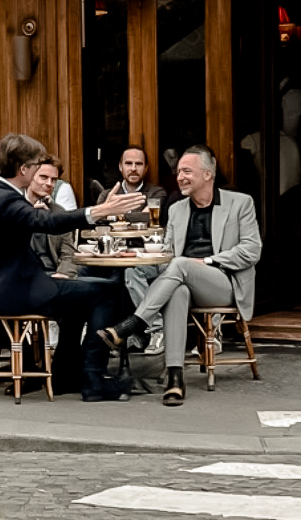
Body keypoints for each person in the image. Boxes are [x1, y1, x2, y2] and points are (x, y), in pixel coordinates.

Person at [0, 133, 139, 401]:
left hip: (1, 288)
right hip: (20, 291)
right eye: (36, 167)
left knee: (81, 297)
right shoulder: (5, 199)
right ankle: (92, 379)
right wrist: (99, 211)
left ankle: (65, 373)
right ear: (23, 169)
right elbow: (48, 223)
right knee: (108, 293)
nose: (38, 172)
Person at [98, 145, 262, 407]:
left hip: (223, 282)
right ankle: (175, 379)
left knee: (182, 265)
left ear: (208, 175)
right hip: (183, 279)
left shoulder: (240, 203)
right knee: (176, 288)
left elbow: (252, 250)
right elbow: (168, 253)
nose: (180, 177)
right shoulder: (177, 209)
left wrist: (208, 260)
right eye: (178, 172)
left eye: (187, 171)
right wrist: (143, 259)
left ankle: (133, 324)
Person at [26, 157, 78, 279]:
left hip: (53, 274)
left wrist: (63, 274)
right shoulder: (13, 209)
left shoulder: (58, 212)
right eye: (43, 177)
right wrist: (30, 217)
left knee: (102, 287)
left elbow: (68, 253)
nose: (49, 184)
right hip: (22, 276)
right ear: (29, 178)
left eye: (53, 180)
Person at [98, 146, 168, 224]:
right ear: (120, 167)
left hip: (144, 236)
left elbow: (147, 217)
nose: (133, 168)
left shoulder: (156, 193)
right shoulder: (106, 195)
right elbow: (99, 220)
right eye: (128, 163)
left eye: (139, 164)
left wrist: (113, 215)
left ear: (146, 168)